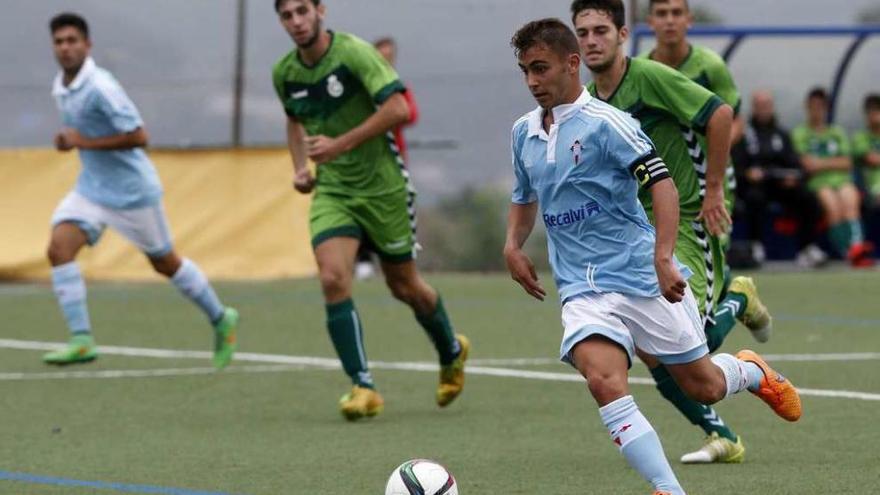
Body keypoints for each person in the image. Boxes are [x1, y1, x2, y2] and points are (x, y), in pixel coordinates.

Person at [504, 18, 800, 495]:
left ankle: (750, 371)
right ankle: (668, 488)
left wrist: (664, 257)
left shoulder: (610, 124)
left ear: (571, 64)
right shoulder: (523, 133)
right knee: (603, 380)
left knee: (703, 385)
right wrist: (513, 244)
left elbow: (660, 183)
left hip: (640, 275)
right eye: (524, 71)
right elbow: (523, 196)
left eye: (541, 68)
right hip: (582, 288)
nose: (533, 81)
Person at [572, 0, 773, 465]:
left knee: (691, 340)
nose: (591, 41)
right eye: (582, 33)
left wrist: (715, 190)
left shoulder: (650, 77)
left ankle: (738, 296)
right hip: (634, 234)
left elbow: (721, 115)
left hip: (683, 219)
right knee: (650, 346)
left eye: (601, 30)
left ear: (622, 34)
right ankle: (721, 435)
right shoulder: (588, 101)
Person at [271, 0, 468, 420]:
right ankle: (363, 386)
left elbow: (398, 108)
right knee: (332, 277)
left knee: (404, 286)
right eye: (287, 15)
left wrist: (339, 144)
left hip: (383, 189)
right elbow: (293, 120)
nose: (297, 21)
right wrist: (299, 168)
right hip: (334, 191)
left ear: (320, 10)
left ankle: (451, 349)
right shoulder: (285, 72)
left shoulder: (354, 53)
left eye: (302, 11)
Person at [41, 13, 238, 367]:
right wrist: (70, 141)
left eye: (72, 40)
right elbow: (80, 136)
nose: (66, 48)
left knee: (165, 263)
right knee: (58, 248)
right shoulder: (62, 85)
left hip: (132, 193)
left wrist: (82, 141)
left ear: (88, 45)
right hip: (92, 189)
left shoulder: (102, 86)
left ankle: (221, 317)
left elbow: (139, 136)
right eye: (59, 42)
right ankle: (82, 339)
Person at [732, 90, 827, 267]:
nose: (763, 110)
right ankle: (756, 246)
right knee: (754, 198)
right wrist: (747, 174)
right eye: (759, 106)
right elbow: (735, 165)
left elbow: (795, 163)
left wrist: (794, 176)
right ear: (753, 108)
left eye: (766, 106)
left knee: (808, 197)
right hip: (755, 186)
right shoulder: (744, 134)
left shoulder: (782, 134)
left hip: (780, 185)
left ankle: (807, 248)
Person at [353, 36, 421, 281]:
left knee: (395, 207)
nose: (385, 61)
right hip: (365, 159)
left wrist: (389, 114)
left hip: (393, 160)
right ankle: (363, 258)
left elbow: (409, 114)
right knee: (361, 205)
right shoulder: (362, 87)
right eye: (380, 56)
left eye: (389, 57)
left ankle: (398, 256)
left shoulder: (396, 87)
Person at [792, 87, 873, 267]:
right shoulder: (800, 133)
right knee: (833, 207)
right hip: (818, 182)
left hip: (841, 179)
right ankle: (847, 252)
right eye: (813, 106)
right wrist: (832, 162)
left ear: (826, 108)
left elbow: (847, 162)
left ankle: (857, 246)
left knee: (850, 203)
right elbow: (807, 164)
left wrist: (820, 163)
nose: (817, 110)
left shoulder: (836, 132)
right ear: (807, 107)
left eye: (820, 106)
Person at [852, 94, 880, 212]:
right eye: (870, 110)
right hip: (872, 189)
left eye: (877, 109)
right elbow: (872, 159)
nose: (873, 114)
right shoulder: (860, 137)